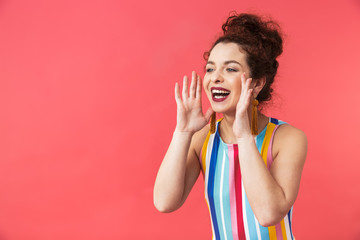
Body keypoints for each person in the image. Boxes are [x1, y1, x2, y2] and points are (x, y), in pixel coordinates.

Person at [153, 12, 307, 240]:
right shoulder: (203, 138)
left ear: (256, 83)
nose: (215, 77)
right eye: (210, 68)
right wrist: (183, 132)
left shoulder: (288, 138)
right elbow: (164, 202)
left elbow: (268, 214)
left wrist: (244, 137)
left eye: (231, 69)